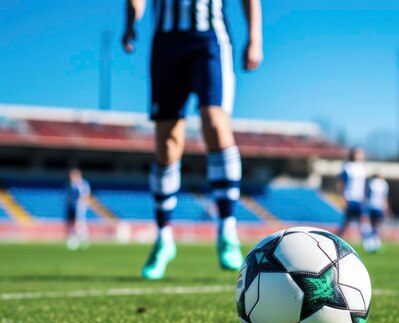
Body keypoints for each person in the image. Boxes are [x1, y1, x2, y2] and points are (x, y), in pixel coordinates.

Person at [122, 0, 263, 279]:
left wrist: (255, 37)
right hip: (166, 42)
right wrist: (130, 23)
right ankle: (163, 238)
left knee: (215, 122)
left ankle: (227, 231)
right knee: (167, 143)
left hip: (210, 38)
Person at [336, 147, 371, 244]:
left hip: (359, 199)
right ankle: (336, 241)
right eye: (359, 153)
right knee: (345, 223)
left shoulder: (362, 167)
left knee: (364, 221)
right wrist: (342, 198)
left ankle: (369, 243)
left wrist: (365, 197)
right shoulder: (348, 166)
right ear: (354, 154)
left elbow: (364, 185)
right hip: (349, 199)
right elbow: (340, 182)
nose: (361, 155)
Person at [65, 169, 91, 250]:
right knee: (71, 223)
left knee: (80, 223)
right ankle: (72, 239)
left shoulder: (82, 184)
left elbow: (85, 195)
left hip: (79, 207)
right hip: (71, 207)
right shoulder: (70, 184)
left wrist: (82, 205)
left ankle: (83, 239)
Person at [364, 173, 389, 253]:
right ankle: (376, 243)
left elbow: (367, 195)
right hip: (379, 207)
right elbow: (385, 198)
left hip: (371, 206)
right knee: (377, 226)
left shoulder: (371, 182)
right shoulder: (384, 184)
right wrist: (386, 208)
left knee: (372, 225)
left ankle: (371, 243)